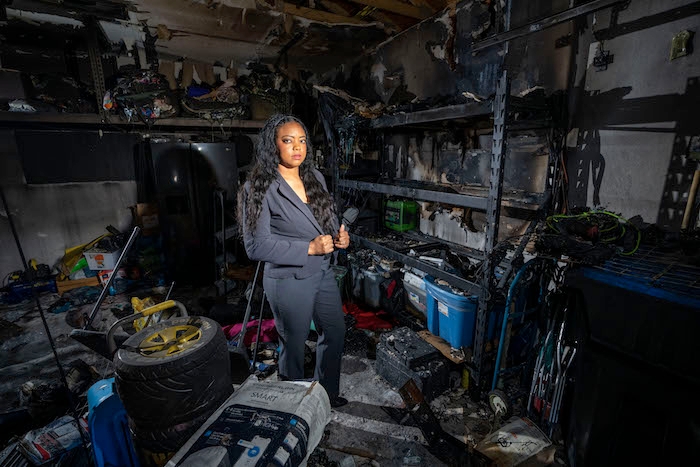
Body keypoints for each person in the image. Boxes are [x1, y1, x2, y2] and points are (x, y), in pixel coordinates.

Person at [238, 114, 350, 407]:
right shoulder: (259, 187)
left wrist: (339, 237)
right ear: (272, 146)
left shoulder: (315, 177)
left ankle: (325, 396)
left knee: (335, 332)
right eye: (288, 140)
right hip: (288, 281)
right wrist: (308, 249)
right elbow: (255, 246)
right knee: (294, 346)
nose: (297, 147)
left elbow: (328, 220)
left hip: (322, 273)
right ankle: (293, 406)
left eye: (301, 140)